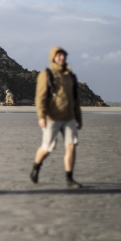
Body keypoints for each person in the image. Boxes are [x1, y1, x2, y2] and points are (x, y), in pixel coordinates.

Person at [30, 46, 83, 188]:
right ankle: (36, 166)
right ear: (53, 57)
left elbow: (75, 99)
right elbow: (40, 97)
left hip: (69, 117)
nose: (61, 58)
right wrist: (41, 116)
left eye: (63, 55)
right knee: (48, 147)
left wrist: (78, 118)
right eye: (58, 55)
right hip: (52, 117)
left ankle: (69, 178)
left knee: (71, 146)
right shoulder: (46, 74)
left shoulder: (70, 76)